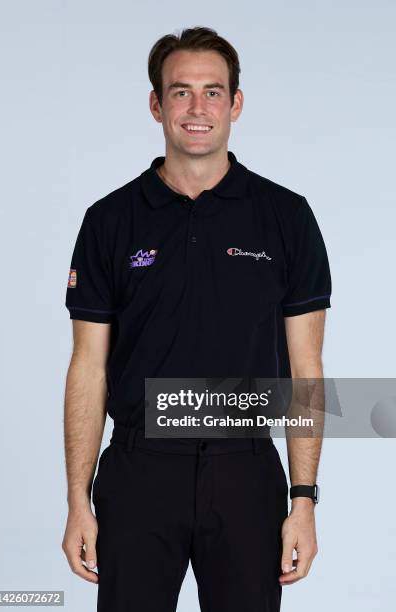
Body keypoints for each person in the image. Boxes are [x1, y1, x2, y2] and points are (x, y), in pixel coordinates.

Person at [62, 26, 332, 612]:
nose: (197, 108)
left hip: (246, 473)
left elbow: (306, 367)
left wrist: (303, 500)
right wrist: (78, 501)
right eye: (180, 92)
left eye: (213, 92)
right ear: (156, 104)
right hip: (139, 473)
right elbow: (88, 367)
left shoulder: (286, 217)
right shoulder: (110, 220)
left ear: (235, 103)